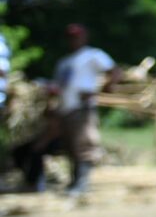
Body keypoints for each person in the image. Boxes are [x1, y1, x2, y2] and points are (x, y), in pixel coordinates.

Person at [16, 24, 119, 195]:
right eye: (70, 37)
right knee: (70, 147)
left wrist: (104, 88)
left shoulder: (93, 55)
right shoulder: (64, 62)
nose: (73, 40)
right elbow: (60, 86)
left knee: (83, 145)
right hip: (64, 109)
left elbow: (114, 71)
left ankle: (81, 184)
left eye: (77, 36)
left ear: (84, 37)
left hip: (82, 108)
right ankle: (73, 182)